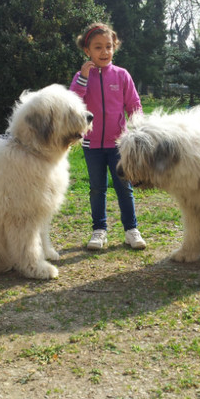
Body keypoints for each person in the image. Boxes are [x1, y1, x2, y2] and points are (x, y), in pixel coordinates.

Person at [70, 22, 146, 251]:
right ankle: (99, 231)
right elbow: (74, 102)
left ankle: (131, 230)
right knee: (97, 188)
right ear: (87, 51)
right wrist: (83, 76)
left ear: (114, 48)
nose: (104, 52)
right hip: (91, 144)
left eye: (109, 47)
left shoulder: (122, 75)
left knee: (124, 186)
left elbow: (134, 105)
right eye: (98, 47)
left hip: (119, 145)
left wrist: (139, 130)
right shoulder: (81, 77)